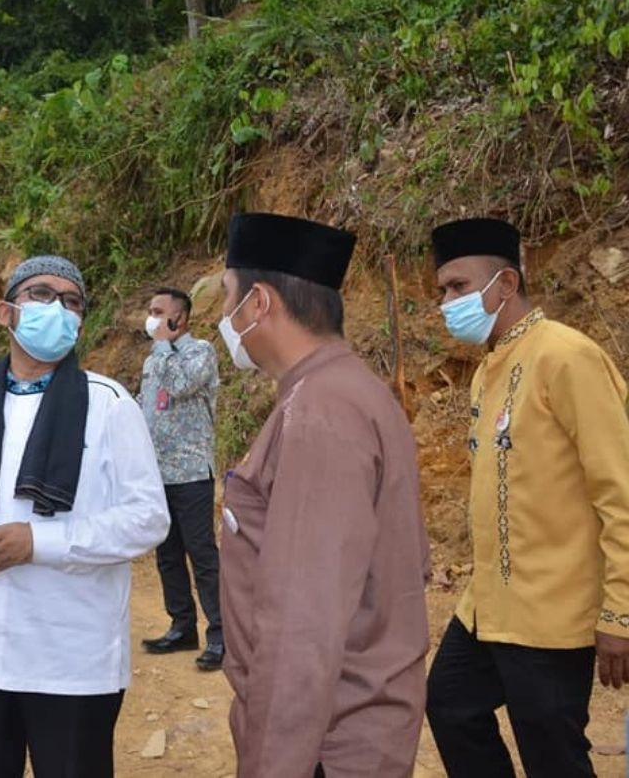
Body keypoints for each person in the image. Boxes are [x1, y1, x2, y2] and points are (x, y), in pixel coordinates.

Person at [0, 255, 170, 778]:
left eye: (72, 302)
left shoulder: (108, 404)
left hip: (71, 664)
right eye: (42, 295)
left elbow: (147, 517)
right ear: (6, 313)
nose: (58, 309)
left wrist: (39, 542)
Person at [216, 213, 430, 777]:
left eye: (227, 299)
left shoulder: (321, 411)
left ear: (258, 303)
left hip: (324, 747)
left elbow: (300, 630)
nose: (222, 318)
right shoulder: (345, 391)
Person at [425, 217, 629, 777]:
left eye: (459, 287)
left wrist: (620, 610)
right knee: (449, 703)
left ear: (506, 284)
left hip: (553, 609)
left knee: (554, 757)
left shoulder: (568, 356)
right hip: (489, 604)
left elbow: (620, 489)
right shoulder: (487, 368)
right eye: (442, 289)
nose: (446, 302)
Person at [138, 286, 223, 671]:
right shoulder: (152, 359)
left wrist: (164, 346)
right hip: (157, 474)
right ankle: (182, 626)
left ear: (180, 319)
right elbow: (146, 407)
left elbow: (180, 385)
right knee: (167, 554)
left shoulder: (199, 351)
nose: (152, 317)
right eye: (151, 310)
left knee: (202, 556)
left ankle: (221, 636)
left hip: (190, 472)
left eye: (159, 312)